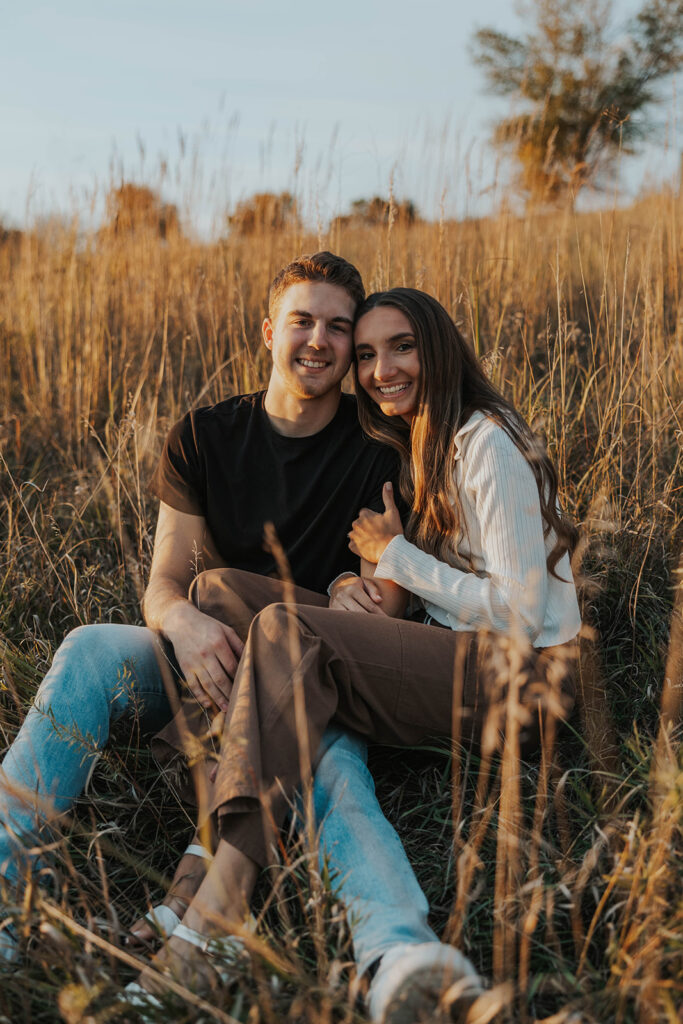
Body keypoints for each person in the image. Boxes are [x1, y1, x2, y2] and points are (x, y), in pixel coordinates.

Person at [0, 258, 458, 1022]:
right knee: (87, 648)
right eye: (303, 321)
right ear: (268, 330)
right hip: (203, 655)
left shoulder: (378, 445)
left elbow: (382, 610)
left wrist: (362, 591)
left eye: (338, 327)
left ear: (351, 347)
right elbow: (164, 584)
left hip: (307, 677)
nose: (319, 340)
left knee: (335, 773)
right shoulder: (205, 437)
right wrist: (179, 621)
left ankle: (399, 955)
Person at [135, 287, 582, 1023]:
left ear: (437, 347)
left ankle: (210, 905)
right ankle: (227, 820)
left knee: (284, 630)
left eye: (400, 346)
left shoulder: (485, 443)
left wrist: (396, 557)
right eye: (367, 354)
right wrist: (354, 582)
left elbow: (519, 610)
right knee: (216, 591)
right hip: (450, 651)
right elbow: (417, 583)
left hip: (523, 683)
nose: (380, 369)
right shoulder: (424, 440)